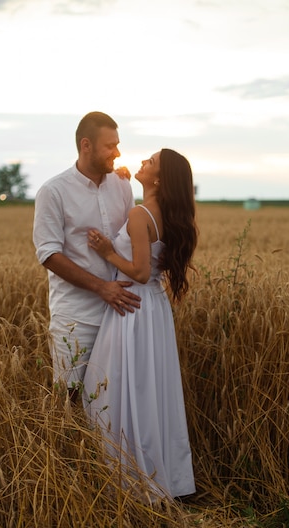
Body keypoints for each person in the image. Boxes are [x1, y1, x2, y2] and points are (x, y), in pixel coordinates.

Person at [83, 148, 198, 498]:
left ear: (159, 179)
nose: (142, 163)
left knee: (111, 387)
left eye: (150, 162)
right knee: (150, 390)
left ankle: (127, 481)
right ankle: (161, 476)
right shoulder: (165, 213)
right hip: (154, 308)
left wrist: (107, 253)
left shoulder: (139, 214)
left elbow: (139, 270)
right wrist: (122, 177)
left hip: (131, 307)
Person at [33, 112, 141, 395]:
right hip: (75, 317)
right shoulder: (53, 191)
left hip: (120, 312)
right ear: (86, 145)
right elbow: (48, 254)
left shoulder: (122, 185)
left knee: (114, 400)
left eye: (118, 144)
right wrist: (101, 287)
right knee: (69, 397)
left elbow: (133, 240)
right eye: (110, 146)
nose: (117, 152)